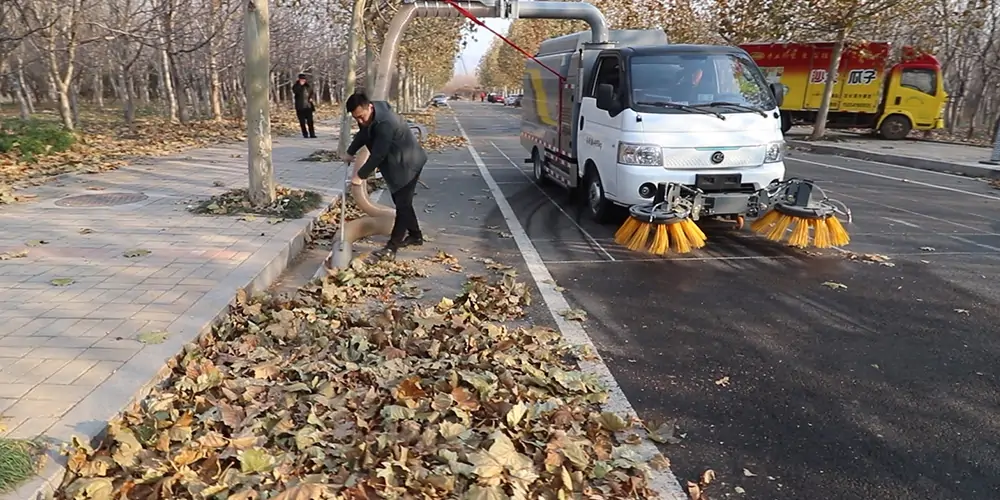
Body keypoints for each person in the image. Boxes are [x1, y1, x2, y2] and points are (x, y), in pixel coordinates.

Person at [343, 92, 427, 261]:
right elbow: (364, 134)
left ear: (369, 107)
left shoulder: (385, 123)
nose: (360, 121)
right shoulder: (369, 117)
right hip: (395, 163)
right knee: (401, 202)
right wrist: (349, 152)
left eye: (361, 117)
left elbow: (378, 154)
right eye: (356, 118)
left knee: (402, 205)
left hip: (408, 164)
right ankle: (416, 236)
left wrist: (361, 175)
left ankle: (392, 247)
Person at [291, 73, 316, 138]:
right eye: (302, 79)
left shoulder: (308, 86)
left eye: (304, 79)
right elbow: (295, 91)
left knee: (310, 121)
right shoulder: (296, 86)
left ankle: (312, 134)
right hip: (300, 107)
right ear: (299, 79)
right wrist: (300, 85)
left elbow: (312, 92)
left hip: (308, 106)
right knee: (302, 122)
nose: (303, 81)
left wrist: (311, 98)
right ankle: (305, 134)